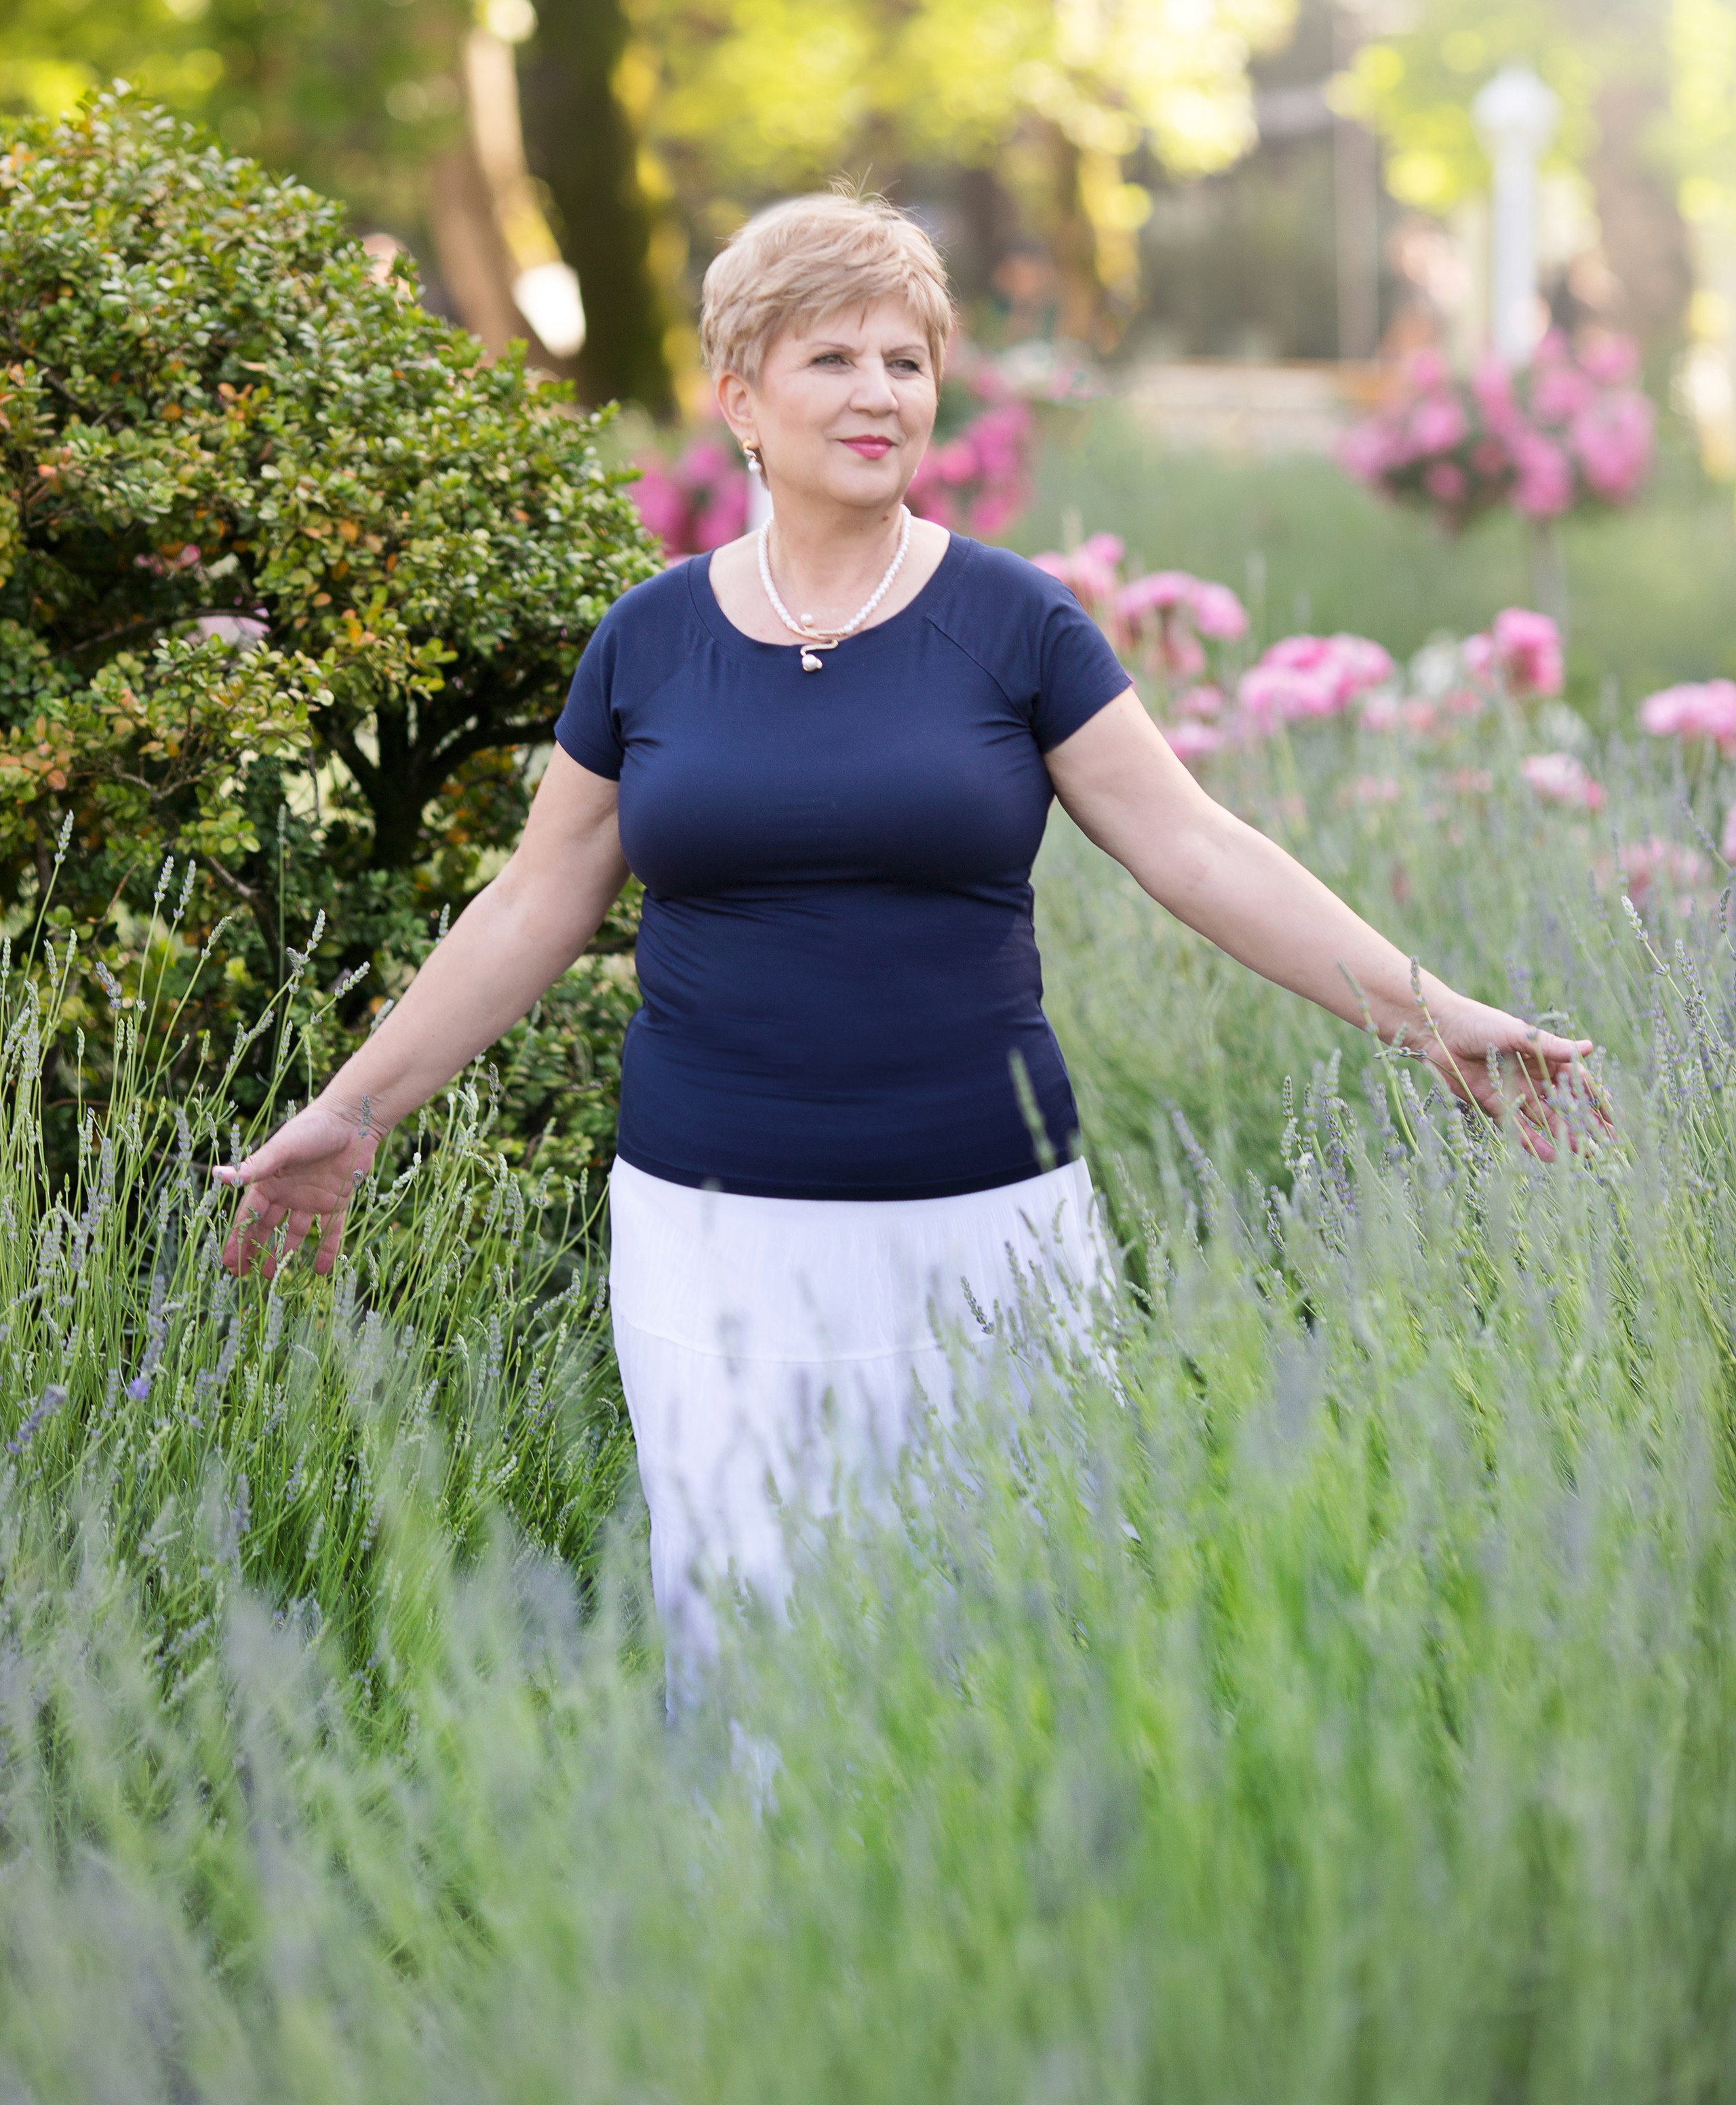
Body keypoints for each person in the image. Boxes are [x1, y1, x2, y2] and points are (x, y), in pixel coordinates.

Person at [218, 191, 1590, 1670]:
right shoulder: (651, 638)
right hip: (709, 1231)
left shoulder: (1014, 623)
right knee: (741, 1635)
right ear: (738, 397)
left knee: (1004, 1639)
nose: (879, 392)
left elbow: (1197, 852)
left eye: (907, 360)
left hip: (982, 1224)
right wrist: (353, 1113)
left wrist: (1433, 1013)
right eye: (832, 359)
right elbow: (534, 901)